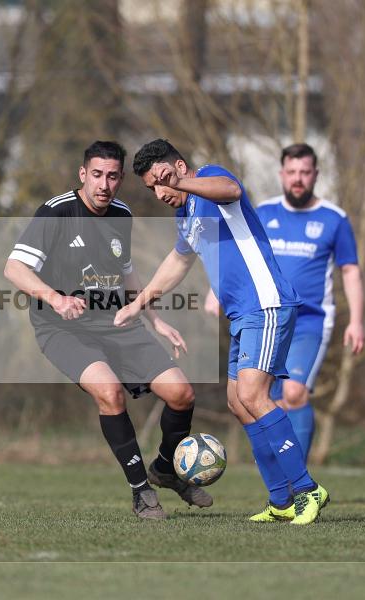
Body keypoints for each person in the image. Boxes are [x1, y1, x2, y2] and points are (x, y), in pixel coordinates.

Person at [115, 139, 328, 525]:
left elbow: (233, 190)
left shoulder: (211, 178)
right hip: (242, 315)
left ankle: (307, 490)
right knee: (238, 403)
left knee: (254, 395)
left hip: (266, 304)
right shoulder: (186, 217)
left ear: (179, 166)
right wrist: (139, 302)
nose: (161, 192)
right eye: (152, 188)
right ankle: (280, 500)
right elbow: (176, 263)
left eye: (162, 180)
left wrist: (181, 183)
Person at [4, 140, 210, 520]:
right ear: (83, 174)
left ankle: (165, 469)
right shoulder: (56, 213)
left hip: (114, 321)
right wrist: (56, 298)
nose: (105, 184)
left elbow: (127, 271)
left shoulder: (122, 214)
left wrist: (154, 317)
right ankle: (141, 492)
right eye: (97, 175)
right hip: (61, 328)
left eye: (113, 177)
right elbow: (14, 268)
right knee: (111, 394)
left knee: (181, 394)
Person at [204, 143, 364, 461]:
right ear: (281, 174)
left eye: (305, 172)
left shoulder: (334, 219)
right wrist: (215, 291)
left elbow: (350, 270)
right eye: (292, 172)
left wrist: (357, 321)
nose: (298, 179)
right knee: (260, 399)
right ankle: (282, 475)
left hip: (310, 321)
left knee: (294, 392)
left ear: (316, 175)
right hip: (269, 317)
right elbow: (237, 254)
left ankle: (298, 479)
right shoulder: (263, 212)